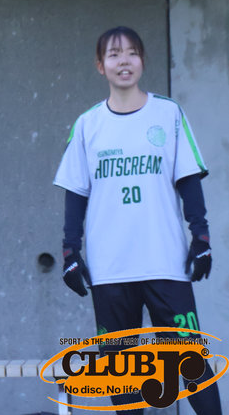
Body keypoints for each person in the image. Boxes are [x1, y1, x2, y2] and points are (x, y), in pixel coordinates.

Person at [54, 26, 221, 414]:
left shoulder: (168, 113)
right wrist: (70, 252)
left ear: (143, 60)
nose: (124, 61)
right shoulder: (87, 125)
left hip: (166, 264)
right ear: (100, 66)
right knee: (124, 376)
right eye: (114, 54)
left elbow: (188, 180)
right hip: (110, 270)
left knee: (192, 365)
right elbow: (75, 194)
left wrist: (201, 238)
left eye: (131, 53)